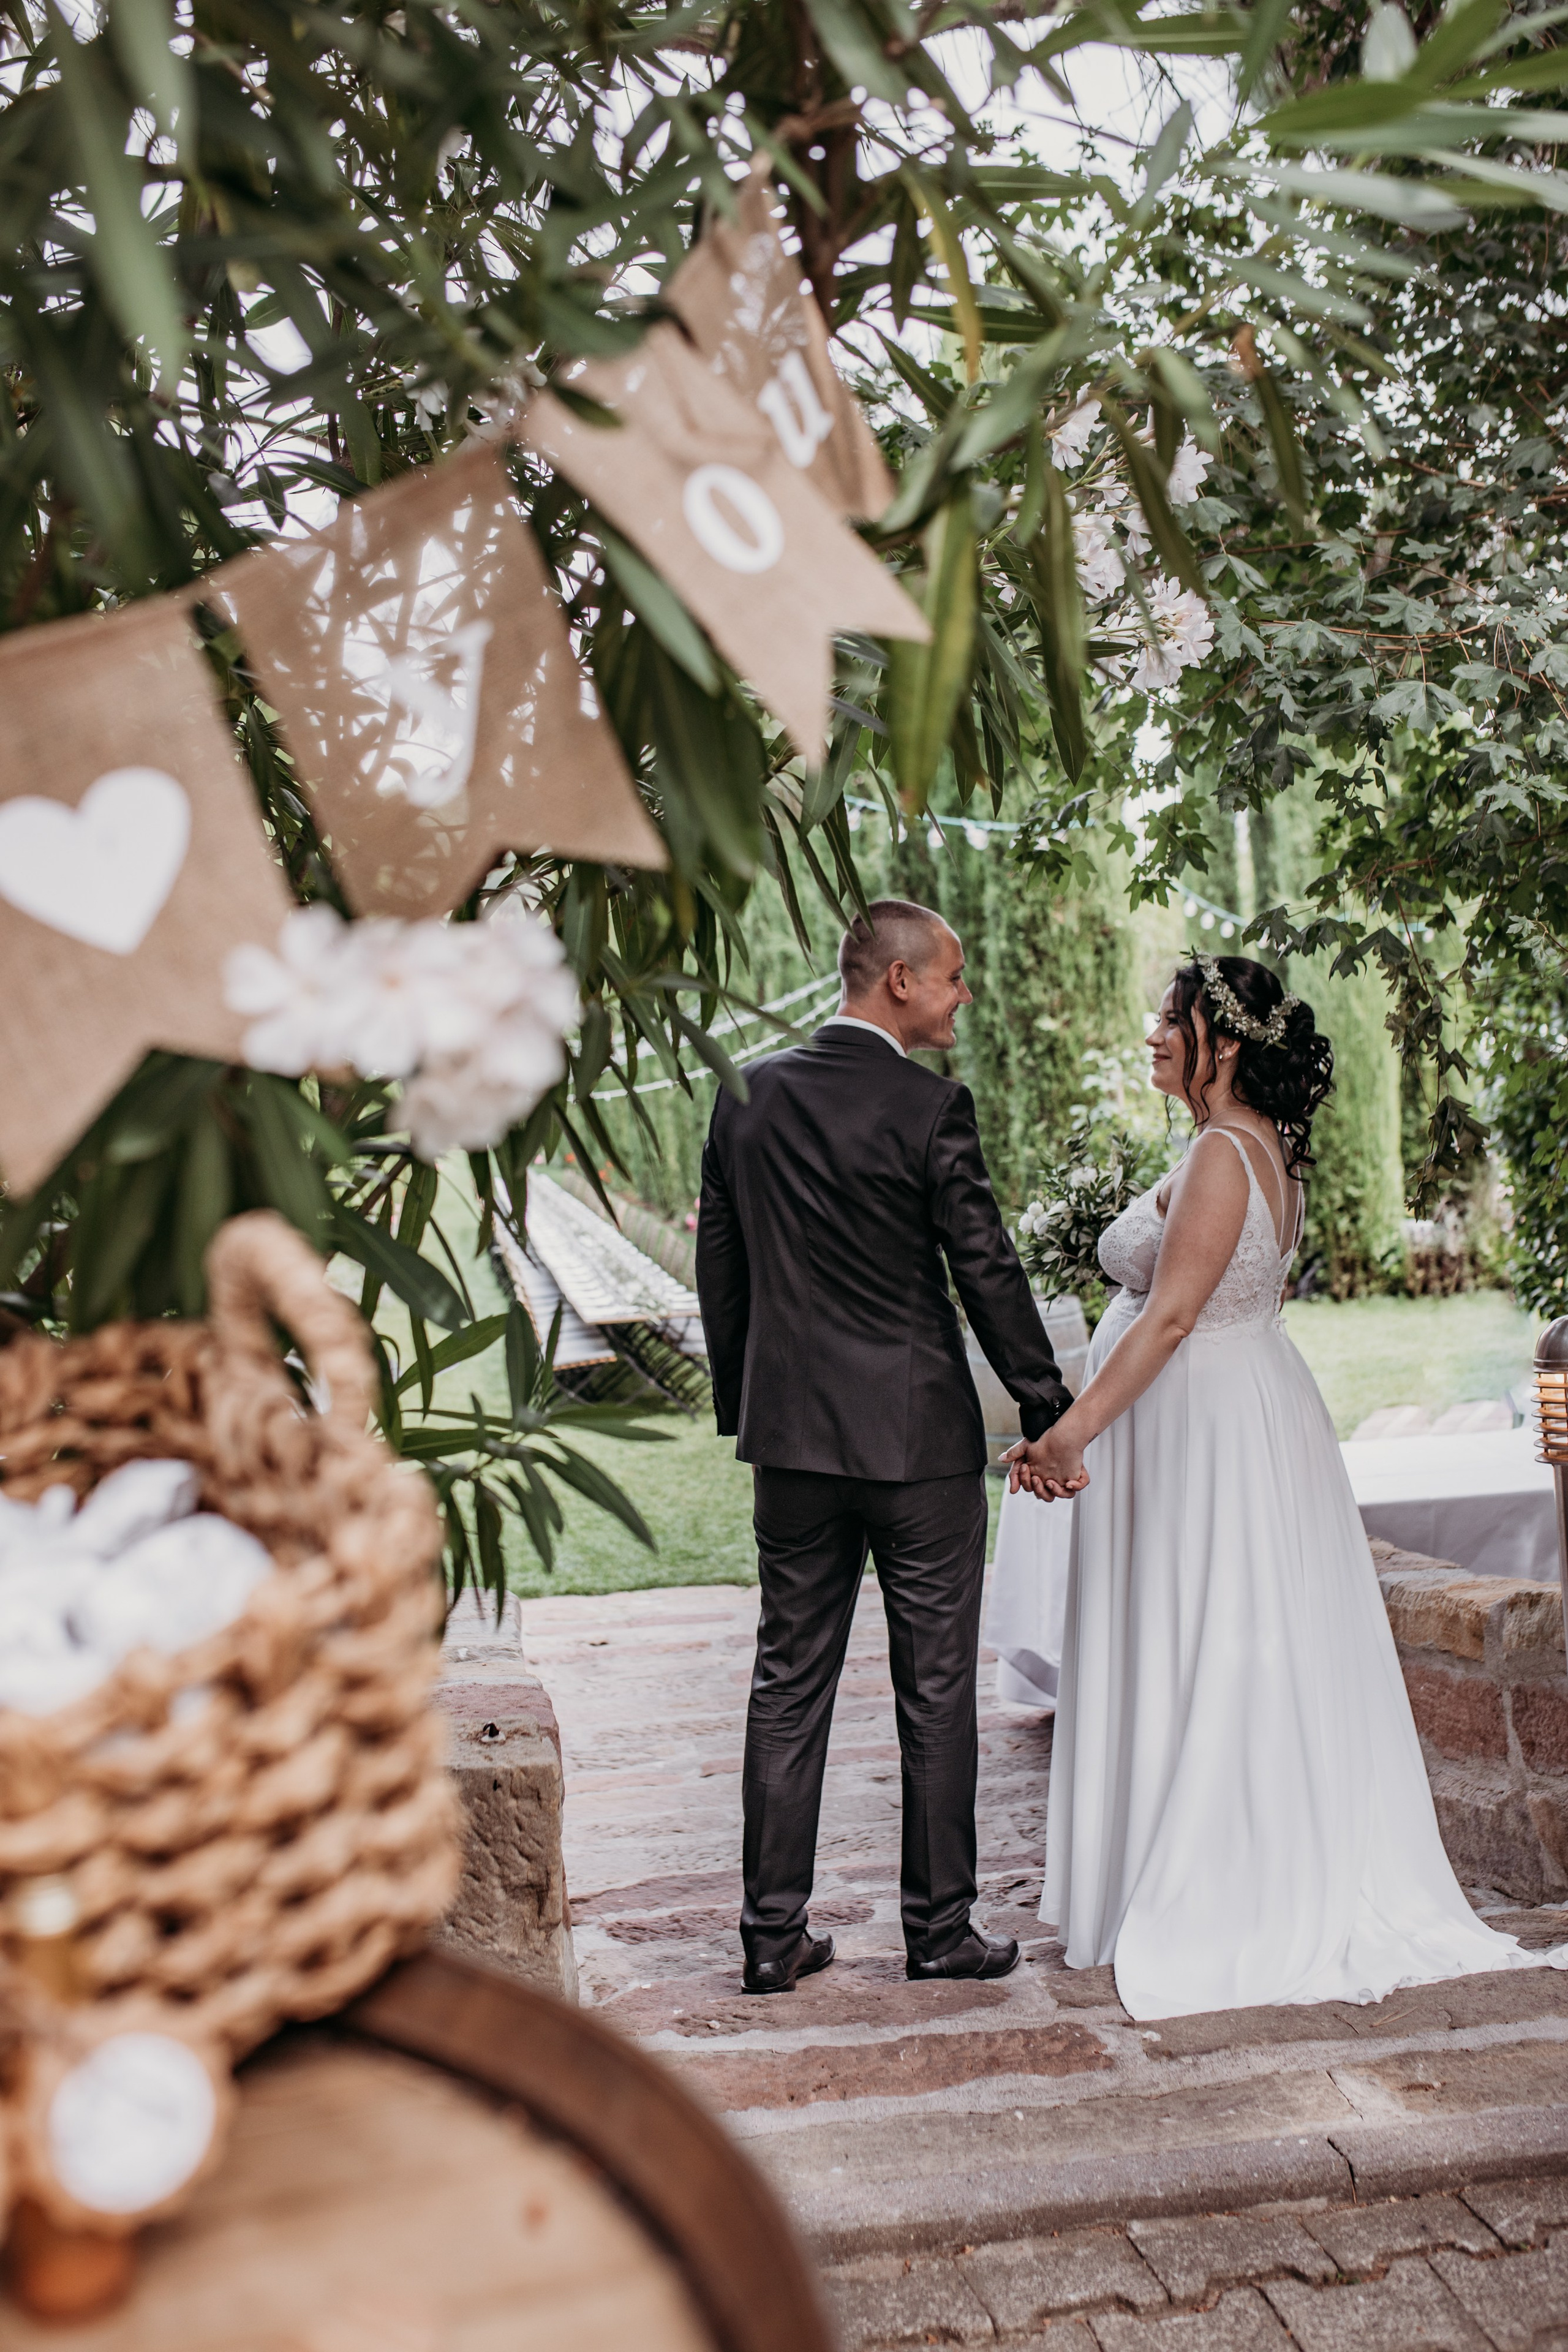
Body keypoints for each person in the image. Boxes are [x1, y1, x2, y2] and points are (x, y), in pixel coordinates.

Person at [1006, 954, 1565, 2021]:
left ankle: (1225, 1879)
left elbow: (1170, 1320)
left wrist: (1071, 1434)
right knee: (1227, 1631)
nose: (1152, 1032)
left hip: (1212, 1424)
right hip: (1238, 1411)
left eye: (1171, 1020)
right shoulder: (1228, 1148)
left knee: (1220, 1638)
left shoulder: (1225, 1153)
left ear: (1221, 1040)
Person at [697, 899, 1072, 1994]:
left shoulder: (745, 1096)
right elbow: (986, 1271)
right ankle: (939, 1930)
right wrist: (1044, 1407)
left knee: (787, 1681)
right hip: (916, 1449)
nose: (965, 994)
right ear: (900, 981)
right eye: (954, 976)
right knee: (937, 1686)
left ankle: (772, 1936)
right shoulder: (929, 1107)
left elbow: (724, 1270)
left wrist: (749, 1405)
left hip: (795, 1448)